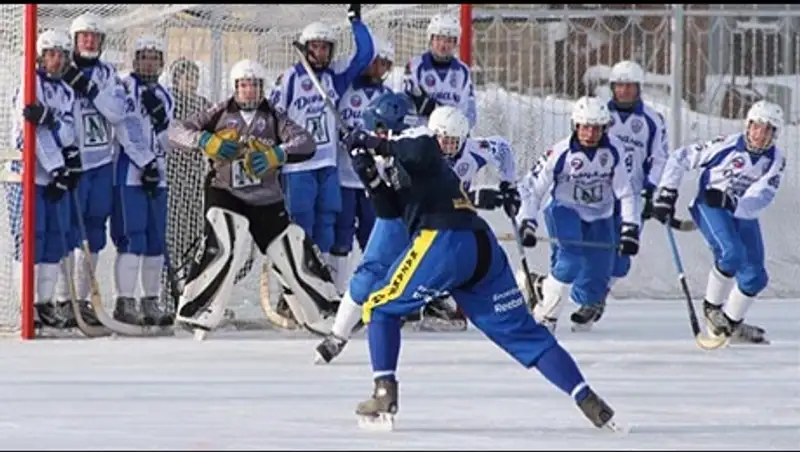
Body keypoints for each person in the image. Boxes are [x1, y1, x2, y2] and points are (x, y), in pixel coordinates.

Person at [337, 92, 622, 433]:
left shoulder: (417, 140)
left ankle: (384, 393)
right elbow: (391, 210)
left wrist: (370, 142)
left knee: (380, 308)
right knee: (524, 333)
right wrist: (368, 175)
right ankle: (586, 397)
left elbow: (422, 150)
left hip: (445, 239)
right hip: (480, 245)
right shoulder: (395, 160)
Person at [313, 103, 518, 364]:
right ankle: (337, 336)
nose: (447, 148)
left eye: (454, 143)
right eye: (442, 140)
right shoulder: (413, 141)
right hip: (404, 215)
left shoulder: (476, 151)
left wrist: (509, 184)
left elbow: (503, 149)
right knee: (370, 274)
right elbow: (382, 158)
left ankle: (446, 306)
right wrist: (363, 157)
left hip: (444, 226)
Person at [167, 58, 340, 340]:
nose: (249, 91)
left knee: (292, 247)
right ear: (235, 87)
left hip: (265, 198)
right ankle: (197, 308)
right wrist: (205, 141)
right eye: (244, 85)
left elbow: (306, 141)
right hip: (226, 192)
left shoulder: (273, 116)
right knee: (225, 241)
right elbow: (175, 132)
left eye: (254, 85)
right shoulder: (219, 111)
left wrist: (277, 154)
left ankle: (323, 311)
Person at [651, 100, 785, 345]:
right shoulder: (727, 145)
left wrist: (732, 201)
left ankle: (731, 324)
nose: (760, 134)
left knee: (756, 277)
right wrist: (667, 193)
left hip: (742, 213)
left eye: (768, 130)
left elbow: (762, 194)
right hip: (709, 205)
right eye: (756, 127)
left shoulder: (775, 160)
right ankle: (712, 310)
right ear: (748, 125)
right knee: (730, 254)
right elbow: (681, 158)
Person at [515, 96, 638, 333]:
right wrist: (526, 221)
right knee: (570, 260)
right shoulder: (560, 152)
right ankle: (546, 315)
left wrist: (630, 228)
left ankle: (540, 286)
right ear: (575, 125)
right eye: (585, 127)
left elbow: (627, 191)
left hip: (601, 214)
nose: (590, 133)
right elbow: (533, 188)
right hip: (565, 210)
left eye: (596, 128)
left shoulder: (614, 151)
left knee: (595, 284)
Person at [55, 13, 144, 327]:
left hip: (100, 164)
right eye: (84, 37)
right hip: (69, 164)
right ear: (74, 40)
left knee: (94, 234)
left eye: (94, 37)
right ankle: (63, 300)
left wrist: (90, 89)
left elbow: (118, 113)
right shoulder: (60, 71)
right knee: (66, 232)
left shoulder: (108, 75)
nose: (89, 41)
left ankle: (83, 299)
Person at [268, 4, 375, 265]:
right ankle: (295, 281)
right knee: (300, 221)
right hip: (298, 165)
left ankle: (323, 278)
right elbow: (273, 117)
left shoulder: (334, 77)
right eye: (315, 46)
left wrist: (355, 22)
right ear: (305, 48)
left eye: (325, 47)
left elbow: (365, 55)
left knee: (327, 219)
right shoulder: (291, 78)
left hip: (327, 163)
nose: (320, 52)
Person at [11, 30, 79, 328]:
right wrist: (56, 167)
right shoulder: (30, 83)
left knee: (54, 240)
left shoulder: (66, 91)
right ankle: (25, 306)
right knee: (29, 240)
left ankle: (44, 301)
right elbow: (30, 133)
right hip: (26, 177)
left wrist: (63, 169)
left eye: (62, 54)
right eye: (52, 53)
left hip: (54, 176)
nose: (57, 59)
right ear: (40, 55)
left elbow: (67, 132)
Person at [111, 35, 174, 326]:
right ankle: (125, 301)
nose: (149, 62)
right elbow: (126, 129)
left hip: (156, 175)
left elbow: (166, 139)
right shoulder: (124, 86)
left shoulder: (165, 94)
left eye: (154, 57)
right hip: (130, 172)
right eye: (143, 56)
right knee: (132, 236)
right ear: (135, 60)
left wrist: (162, 122)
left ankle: (151, 300)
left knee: (154, 239)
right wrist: (144, 161)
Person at [329, 39, 395, 293]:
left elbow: (393, 135)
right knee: (341, 236)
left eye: (385, 64)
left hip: (373, 181)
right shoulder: (344, 90)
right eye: (376, 62)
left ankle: (374, 291)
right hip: (344, 177)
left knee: (372, 237)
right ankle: (336, 292)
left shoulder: (388, 97)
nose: (380, 68)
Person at [403, 13, 476, 129]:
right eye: (438, 38)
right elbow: (405, 109)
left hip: (451, 137)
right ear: (430, 39)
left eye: (448, 40)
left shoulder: (463, 72)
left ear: (455, 42)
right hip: (423, 134)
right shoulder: (416, 66)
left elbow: (470, 115)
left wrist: (456, 126)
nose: (443, 45)